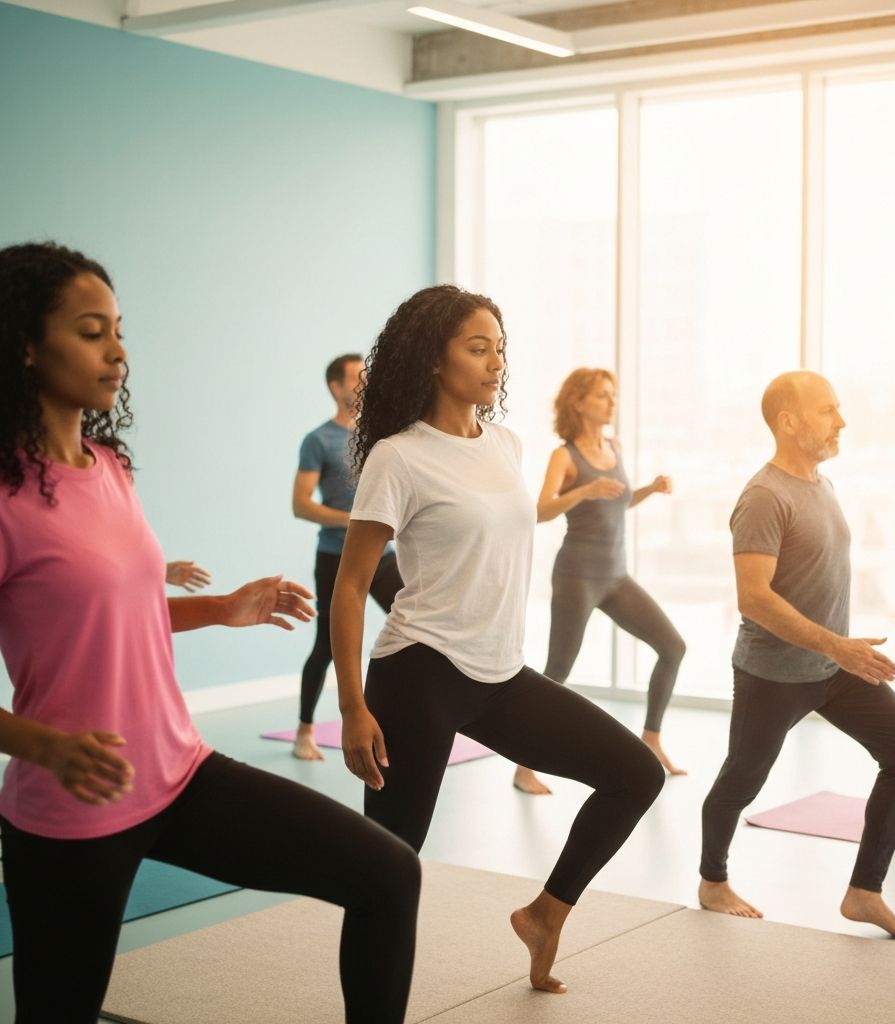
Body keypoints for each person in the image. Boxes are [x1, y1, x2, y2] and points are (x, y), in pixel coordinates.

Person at [0, 242, 420, 1024]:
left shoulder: (105, 465)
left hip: (177, 771)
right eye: (92, 331)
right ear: (23, 343)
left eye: (119, 329)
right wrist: (43, 744)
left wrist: (223, 607)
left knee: (388, 874)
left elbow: (113, 617)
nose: (118, 349)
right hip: (73, 806)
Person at [332, 285, 664, 995]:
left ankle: (546, 914)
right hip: (419, 674)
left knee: (636, 774)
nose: (495, 362)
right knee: (388, 871)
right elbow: (353, 585)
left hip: (500, 674)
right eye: (477, 348)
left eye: (499, 348)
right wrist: (353, 705)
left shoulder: (507, 444)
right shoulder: (399, 456)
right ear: (431, 359)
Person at [699, 370, 895, 939]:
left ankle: (864, 893)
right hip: (773, 674)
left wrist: (838, 652)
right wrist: (838, 645)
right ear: (789, 421)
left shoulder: (821, 485)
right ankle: (713, 879)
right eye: (829, 410)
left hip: (834, 668)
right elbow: (753, 597)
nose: (842, 420)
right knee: (741, 781)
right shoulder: (763, 496)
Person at [513, 368, 686, 796]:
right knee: (556, 674)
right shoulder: (565, 455)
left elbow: (617, 503)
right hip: (576, 576)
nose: (612, 403)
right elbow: (541, 510)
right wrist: (583, 492)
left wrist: (647, 489)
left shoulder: (614, 446)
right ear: (579, 402)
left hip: (615, 575)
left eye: (613, 395)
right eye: (603, 396)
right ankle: (522, 765)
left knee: (673, 647)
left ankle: (652, 740)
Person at [292, 354, 403, 760]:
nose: (364, 383)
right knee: (327, 645)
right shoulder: (318, 441)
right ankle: (305, 729)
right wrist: (357, 522)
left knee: (419, 625)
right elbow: (301, 505)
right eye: (356, 378)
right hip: (336, 557)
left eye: (367, 376)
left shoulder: (382, 436)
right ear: (336, 388)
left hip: (384, 556)